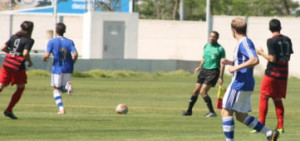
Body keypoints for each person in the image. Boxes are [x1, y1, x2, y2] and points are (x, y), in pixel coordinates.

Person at [220, 18, 279, 141]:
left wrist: (235, 67)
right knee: (241, 116)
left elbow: (254, 59)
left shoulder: (244, 42)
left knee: (226, 111)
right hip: (245, 83)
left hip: (239, 83)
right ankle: (269, 133)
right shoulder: (244, 42)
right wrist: (230, 62)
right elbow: (245, 60)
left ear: (233, 30)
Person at [253, 19, 293, 134]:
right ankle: (280, 127)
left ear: (269, 28)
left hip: (272, 73)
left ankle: (261, 125)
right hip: (283, 74)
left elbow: (272, 59)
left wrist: (260, 52)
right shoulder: (288, 40)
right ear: (280, 27)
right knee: (277, 99)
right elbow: (288, 57)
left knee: (264, 96)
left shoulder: (271, 41)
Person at [182, 31, 226, 117]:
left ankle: (212, 112)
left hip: (213, 72)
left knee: (203, 92)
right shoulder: (206, 46)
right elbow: (204, 57)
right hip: (204, 70)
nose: (211, 38)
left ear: (217, 38)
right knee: (195, 91)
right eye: (210, 36)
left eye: (213, 37)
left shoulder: (220, 49)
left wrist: (221, 76)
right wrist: (199, 66)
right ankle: (189, 111)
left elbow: (223, 63)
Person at [0, 21, 34, 119]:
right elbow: (25, 53)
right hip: (17, 67)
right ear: (31, 29)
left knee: (1, 85)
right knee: (20, 87)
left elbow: (2, 48)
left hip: (7, 64)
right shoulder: (29, 40)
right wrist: (30, 62)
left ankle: (9, 110)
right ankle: (9, 110)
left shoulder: (14, 36)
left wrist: (11, 53)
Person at [42, 23, 78, 115]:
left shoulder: (52, 42)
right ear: (64, 31)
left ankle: (61, 109)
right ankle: (67, 87)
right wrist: (73, 62)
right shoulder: (70, 42)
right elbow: (75, 54)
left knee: (55, 89)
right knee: (62, 88)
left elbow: (46, 55)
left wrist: (44, 58)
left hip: (57, 68)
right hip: (68, 67)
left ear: (56, 31)